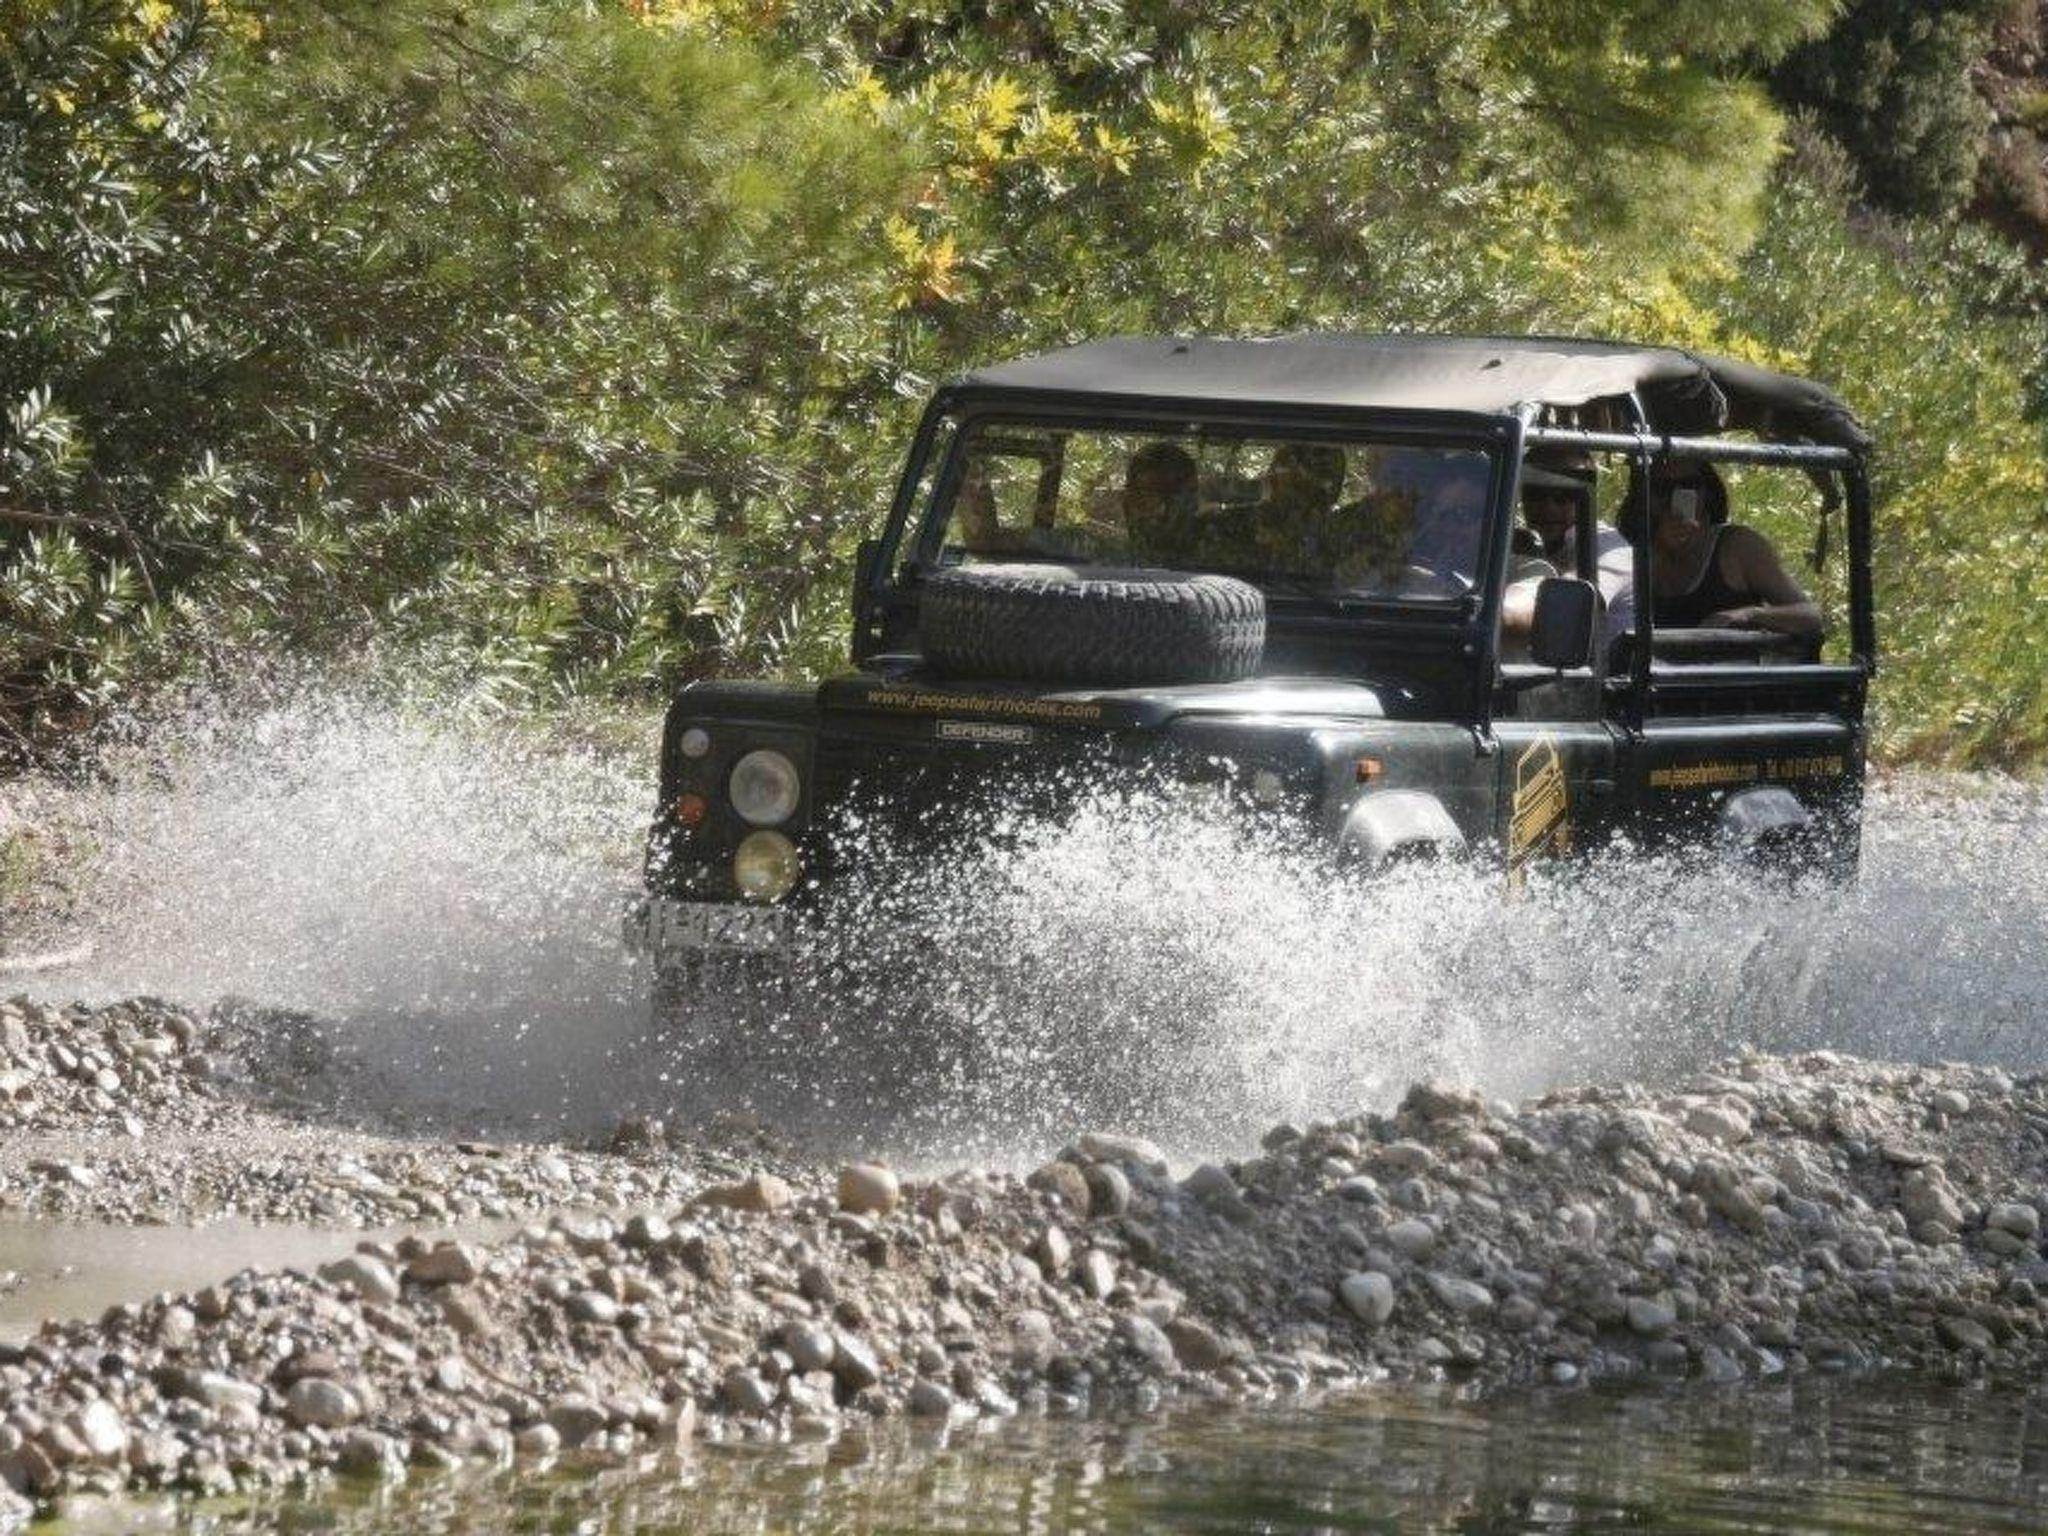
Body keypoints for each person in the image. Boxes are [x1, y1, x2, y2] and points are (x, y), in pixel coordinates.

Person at [1634, 463, 1822, 637]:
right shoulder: (1634, 550)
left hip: (1731, 660)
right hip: (1660, 661)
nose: (1674, 495)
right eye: (1662, 487)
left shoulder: (1737, 546)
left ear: (1708, 492)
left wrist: (1748, 614)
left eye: (1688, 484)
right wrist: (1660, 551)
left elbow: (1811, 616)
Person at [1501, 446, 1634, 649]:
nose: (1549, 507)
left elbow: (1562, 603)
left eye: (1565, 495)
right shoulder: (1530, 543)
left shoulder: (1608, 547)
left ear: (1588, 495)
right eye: (1536, 493)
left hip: (1607, 667)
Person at [1121, 441, 1203, 564]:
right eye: (1147, 496)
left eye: (1175, 499)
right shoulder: (1106, 557)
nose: (1162, 512)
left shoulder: (1217, 555)